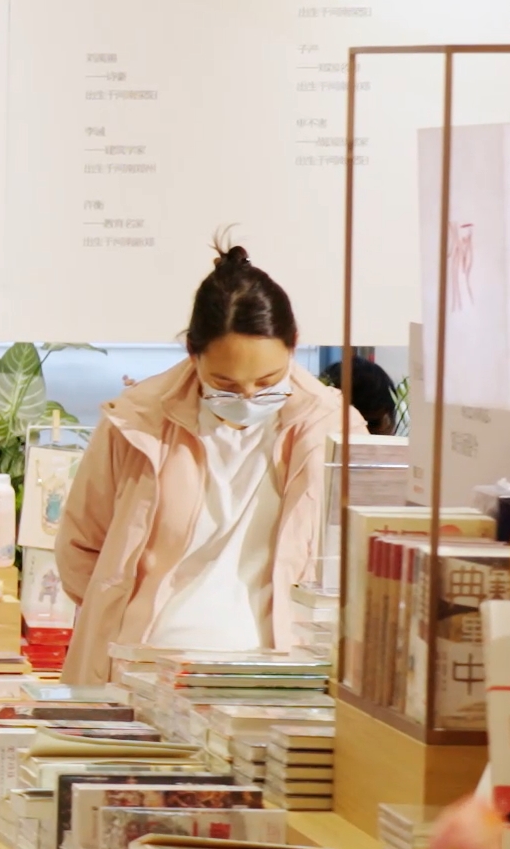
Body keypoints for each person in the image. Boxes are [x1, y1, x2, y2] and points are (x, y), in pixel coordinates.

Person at [55, 243, 345, 684]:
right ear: (193, 353)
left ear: (294, 346)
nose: (248, 397)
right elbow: (81, 547)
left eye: (268, 381)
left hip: (280, 681)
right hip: (144, 675)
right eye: (225, 384)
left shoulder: (333, 429)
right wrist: (115, 619)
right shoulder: (136, 422)